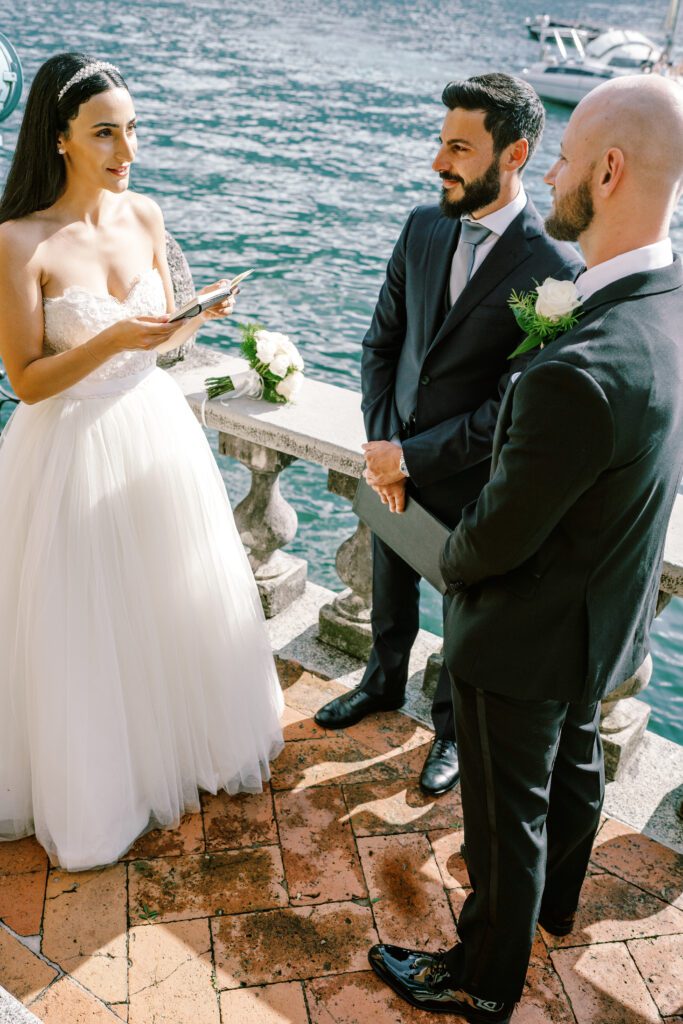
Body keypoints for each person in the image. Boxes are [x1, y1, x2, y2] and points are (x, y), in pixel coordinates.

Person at [368, 74, 683, 1023]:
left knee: (506, 821)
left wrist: (446, 569)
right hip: (601, 621)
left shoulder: (578, 369)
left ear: (611, 169)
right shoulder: (661, 307)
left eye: (567, 158)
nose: (551, 173)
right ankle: (553, 910)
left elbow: (490, 540)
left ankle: (481, 977)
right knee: (576, 769)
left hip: (525, 635)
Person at [0, 53, 284, 872]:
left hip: (155, 433)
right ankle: (95, 794)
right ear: (60, 139)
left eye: (133, 128)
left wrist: (192, 320)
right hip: (69, 448)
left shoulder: (147, 216)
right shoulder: (21, 242)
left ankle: (182, 753)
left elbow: (159, 340)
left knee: (168, 601)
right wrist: (118, 338)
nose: (128, 148)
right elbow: (25, 382)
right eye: (106, 132)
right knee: (81, 625)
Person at [315, 73, 581, 796]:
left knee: (465, 617)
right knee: (388, 586)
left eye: (459, 147)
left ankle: (451, 733)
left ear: (514, 154)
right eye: (441, 143)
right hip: (393, 457)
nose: (440, 162)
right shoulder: (422, 224)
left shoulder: (557, 269)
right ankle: (378, 683)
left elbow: (509, 405)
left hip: (473, 480)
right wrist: (382, 450)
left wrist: (412, 456)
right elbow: (380, 345)